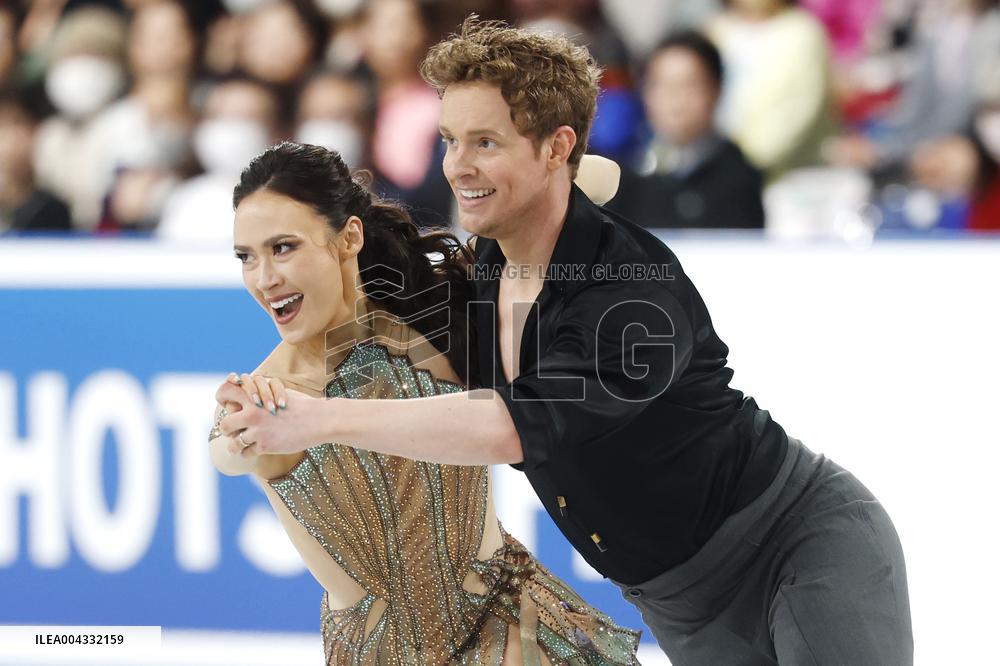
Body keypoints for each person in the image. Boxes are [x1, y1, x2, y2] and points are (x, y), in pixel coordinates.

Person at [216, 19, 913, 664]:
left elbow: (514, 427)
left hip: (797, 546)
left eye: (484, 142)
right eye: (449, 140)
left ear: (557, 147)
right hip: (678, 604)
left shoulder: (632, 294)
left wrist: (319, 420)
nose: (457, 166)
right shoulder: (486, 269)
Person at [208, 141, 641, 665]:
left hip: (517, 637)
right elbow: (227, 451)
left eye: (283, 247)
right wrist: (238, 436)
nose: (264, 278)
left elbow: (604, 176)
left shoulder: (439, 314)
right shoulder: (268, 393)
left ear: (348, 237)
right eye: (246, 258)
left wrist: (507, 187)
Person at [606, 30, 765, 229]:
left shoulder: (740, 178)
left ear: (716, 90)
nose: (675, 99)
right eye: (661, 85)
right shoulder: (625, 176)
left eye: (689, 85)